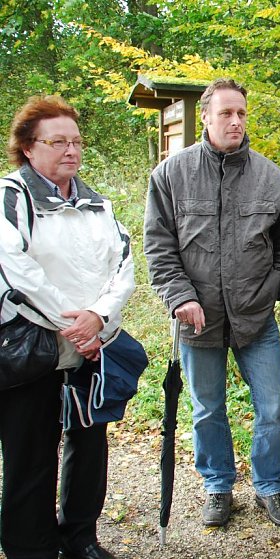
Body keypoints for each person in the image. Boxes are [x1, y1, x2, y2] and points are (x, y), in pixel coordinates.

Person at [144, 78, 280, 528]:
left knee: (273, 404)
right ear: (207, 118)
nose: (236, 121)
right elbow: (159, 246)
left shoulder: (270, 177)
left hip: (256, 318)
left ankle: (270, 487)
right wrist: (180, 297)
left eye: (242, 114)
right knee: (207, 407)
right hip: (198, 320)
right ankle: (218, 487)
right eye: (226, 113)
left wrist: (274, 287)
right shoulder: (172, 175)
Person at [0, 96, 135, 559]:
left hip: (91, 344)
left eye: (76, 141)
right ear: (28, 146)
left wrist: (98, 319)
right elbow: (16, 268)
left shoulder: (97, 203)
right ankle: (29, 547)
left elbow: (123, 266)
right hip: (29, 347)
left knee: (89, 443)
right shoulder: (11, 197)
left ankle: (80, 538)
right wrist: (71, 323)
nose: (70, 151)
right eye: (57, 141)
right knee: (31, 452)